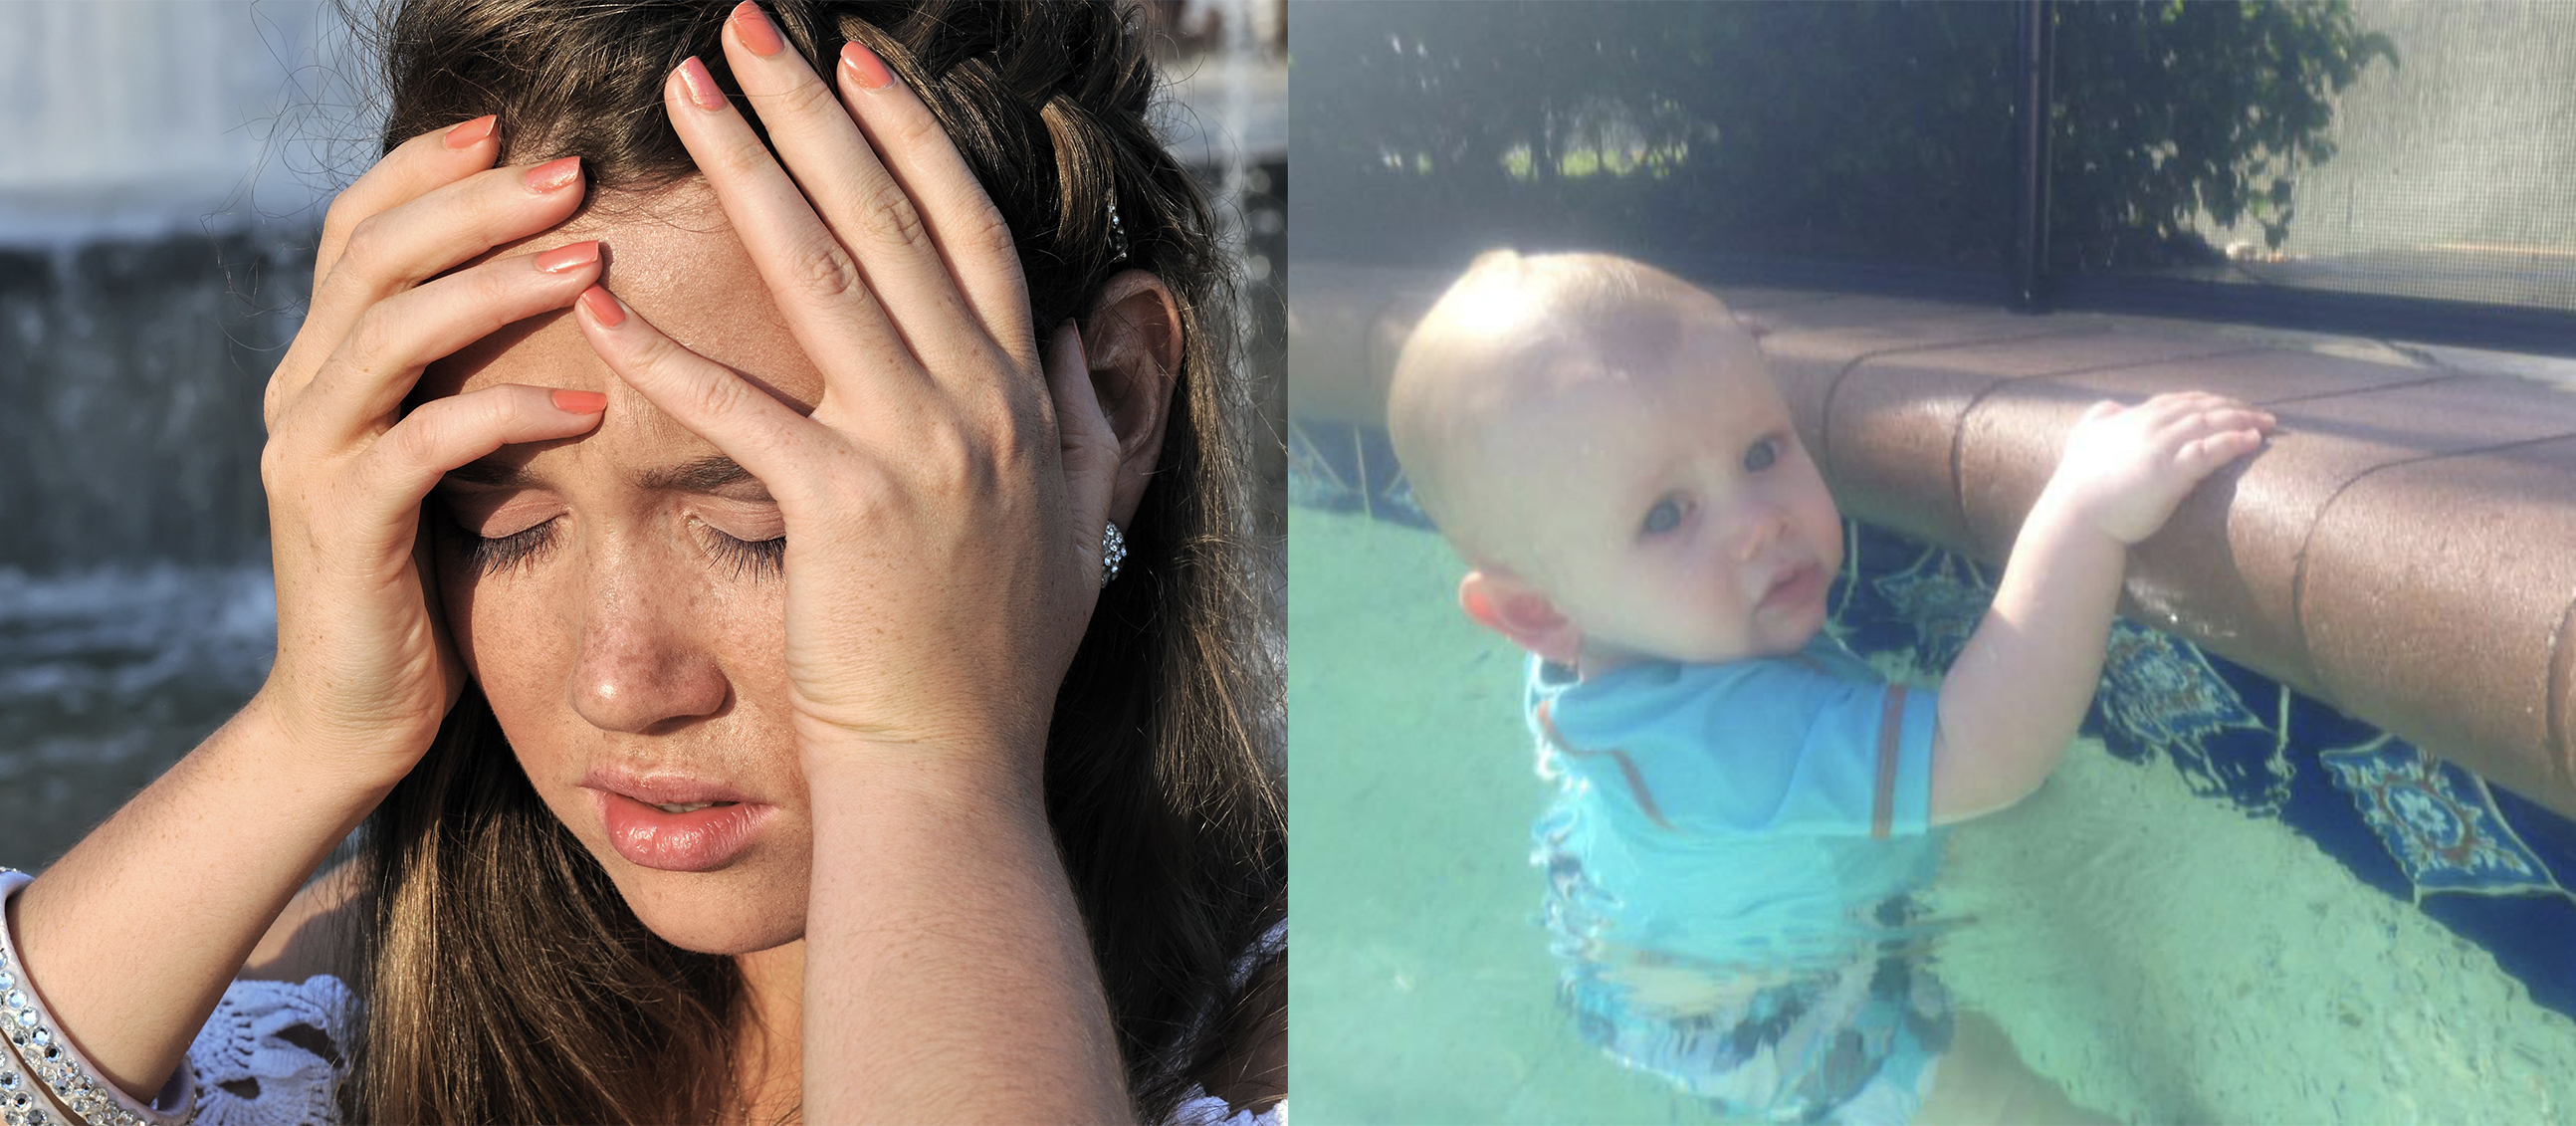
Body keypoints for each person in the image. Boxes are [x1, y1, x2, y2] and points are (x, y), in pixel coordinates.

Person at [0, 2, 1283, 1123]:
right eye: (497, 523)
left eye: (761, 525)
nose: (622, 682)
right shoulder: (329, 986)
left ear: (1110, 401)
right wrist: (309, 732)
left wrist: (923, 762)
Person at [1385, 251, 2273, 1125]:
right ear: (1537, 611)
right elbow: (1987, 752)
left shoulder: (1589, 653)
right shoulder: (1735, 739)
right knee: (1998, 1099)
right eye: (1667, 513)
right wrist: (2080, 513)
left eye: (1762, 449)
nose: (1757, 520)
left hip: (1653, 977)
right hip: (1807, 1037)